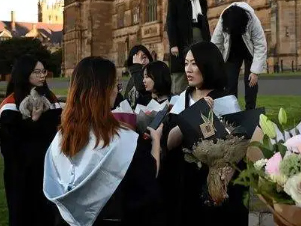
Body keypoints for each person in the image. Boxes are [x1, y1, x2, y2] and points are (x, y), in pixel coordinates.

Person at [43, 56, 162, 226]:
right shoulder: (122, 141)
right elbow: (149, 178)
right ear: (103, 91)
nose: (117, 90)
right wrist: (156, 140)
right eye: (115, 84)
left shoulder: (61, 138)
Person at [161, 41, 245, 226]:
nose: (188, 69)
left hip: (211, 184)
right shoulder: (182, 98)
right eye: (186, 63)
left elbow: (236, 150)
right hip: (183, 183)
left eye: (194, 63)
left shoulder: (226, 101)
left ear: (208, 65)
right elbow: (169, 143)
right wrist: (193, 116)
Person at [0, 55, 62, 226]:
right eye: (37, 72)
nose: (42, 76)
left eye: (43, 71)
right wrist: (33, 121)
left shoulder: (51, 99)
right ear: (24, 73)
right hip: (21, 174)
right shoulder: (10, 105)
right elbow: (9, 146)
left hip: (48, 170)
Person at [212, 2, 267, 110]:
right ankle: (232, 111)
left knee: (251, 82)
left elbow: (260, 45)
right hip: (232, 52)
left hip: (249, 51)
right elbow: (216, 44)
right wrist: (215, 66)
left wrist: (255, 72)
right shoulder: (223, 19)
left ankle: (250, 110)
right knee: (229, 83)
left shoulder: (252, 20)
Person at [166, 0, 210, 95]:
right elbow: (171, 21)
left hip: (199, 38)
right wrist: (173, 44)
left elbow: (205, 24)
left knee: (200, 71)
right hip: (182, 40)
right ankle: (177, 104)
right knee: (181, 75)